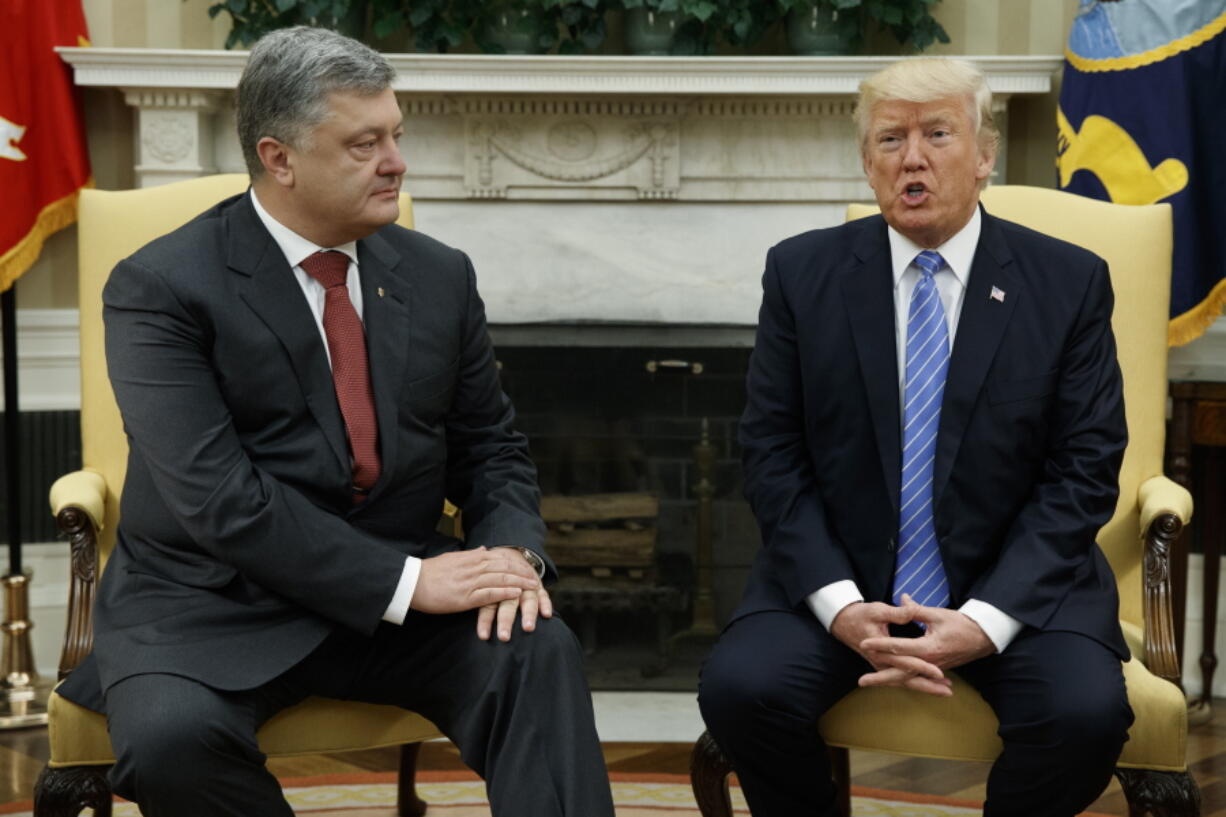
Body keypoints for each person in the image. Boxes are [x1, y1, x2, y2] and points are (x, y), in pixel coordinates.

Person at [57, 25, 614, 817]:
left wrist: (510, 555)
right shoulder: (161, 288)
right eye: (364, 144)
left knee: (535, 649)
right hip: (213, 604)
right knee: (173, 741)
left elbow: (491, 447)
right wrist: (415, 581)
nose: (397, 162)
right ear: (279, 157)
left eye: (395, 135)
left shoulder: (438, 275)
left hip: (398, 603)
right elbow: (222, 501)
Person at [697, 57, 1133, 817]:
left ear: (985, 154)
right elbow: (772, 453)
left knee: (1083, 714)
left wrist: (984, 620)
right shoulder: (802, 275)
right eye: (891, 139)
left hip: (1017, 587)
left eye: (938, 133)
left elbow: (1085, 470)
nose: (914, 159)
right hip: (844, 576)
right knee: (742, 690)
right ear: (868, 164)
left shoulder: (1067, 283)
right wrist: (838, 604)